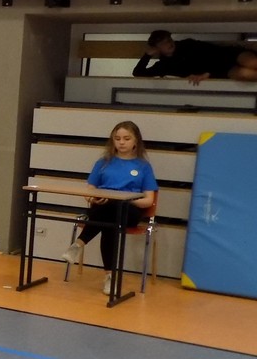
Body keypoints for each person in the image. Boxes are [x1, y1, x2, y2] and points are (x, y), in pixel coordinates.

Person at [61, 121, 159, 296]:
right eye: (117, 138)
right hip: (103, 207)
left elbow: (148, 200)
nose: (121, 142)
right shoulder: (103, 163)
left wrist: (126, 200)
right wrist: (93, 197)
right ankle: (109, 278)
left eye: (126, 138)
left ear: (136, 141)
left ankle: (79, 244)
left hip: (130, 209)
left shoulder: (143, 166)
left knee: (113, 210)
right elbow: (89, 191)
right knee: (110, 223)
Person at [133, 30, 257, 82]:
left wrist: (207, 73)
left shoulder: (187, 44)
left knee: (252, 62)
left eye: (169, 40)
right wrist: (147, 56)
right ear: (157, 48)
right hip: (220, 71)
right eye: (163, 43)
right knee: (244, 74)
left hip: (224, 55)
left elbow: (211, 52)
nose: (169, 43)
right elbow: (138, 73)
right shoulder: (164, 65)